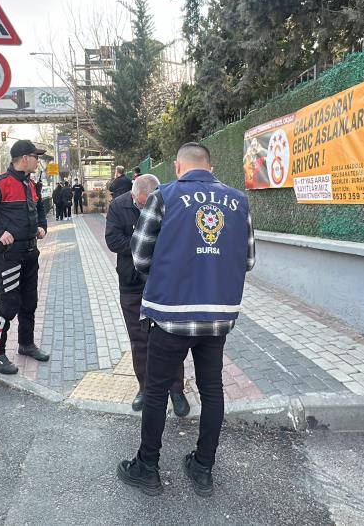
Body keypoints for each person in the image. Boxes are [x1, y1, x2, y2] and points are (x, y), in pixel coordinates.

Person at [117, 142, 254, 498]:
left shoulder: (164, 196)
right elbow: (248, 259)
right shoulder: (239, 201)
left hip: (172, 315)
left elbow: (140, 255)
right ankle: (202, 467)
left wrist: (168, 276)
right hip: (218, 315)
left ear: (178, 167)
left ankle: (147, 468)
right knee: (212, 390)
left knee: (156, 389)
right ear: (209, 165)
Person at [105, 174, 189, 415]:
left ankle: (176, 390)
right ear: (134, 196)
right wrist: (144, 244)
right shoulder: (118, 206)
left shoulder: (169, 201)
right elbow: (112, 240)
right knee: (139, 339)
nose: (145, 208)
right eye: (141, 204)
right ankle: (144, 387)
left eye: (148, 203)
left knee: (171, 337)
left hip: (163, 282)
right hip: (131, 283)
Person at [0, 140, 51, 374]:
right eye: (36, 156)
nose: (38, 161)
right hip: (9, 256)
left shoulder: (32, 184)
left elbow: (40, 208)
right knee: (10, 303)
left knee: (29, 301)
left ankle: (26, 344)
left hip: (30, 253)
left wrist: (42, 226)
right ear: (25, 158)